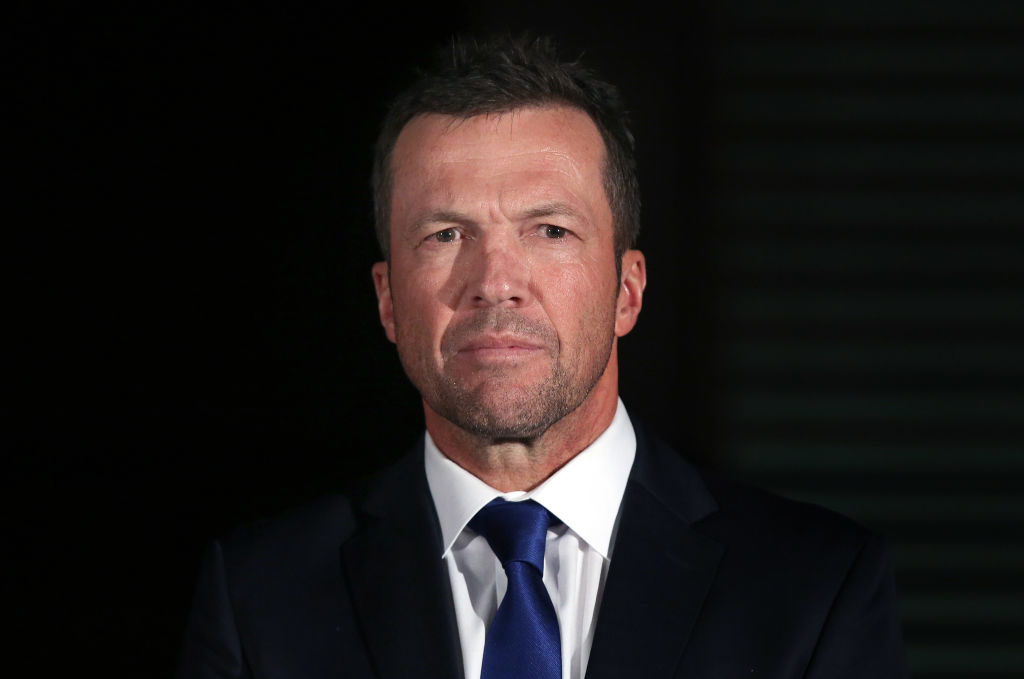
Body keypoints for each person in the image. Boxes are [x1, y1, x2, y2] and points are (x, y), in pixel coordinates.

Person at [176, 35, 909, 679]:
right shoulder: (259, 595)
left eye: (550, 230)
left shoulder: (815, 587)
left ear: (627, 290)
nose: (495, 281)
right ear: (388, 300)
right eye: (445, 235)